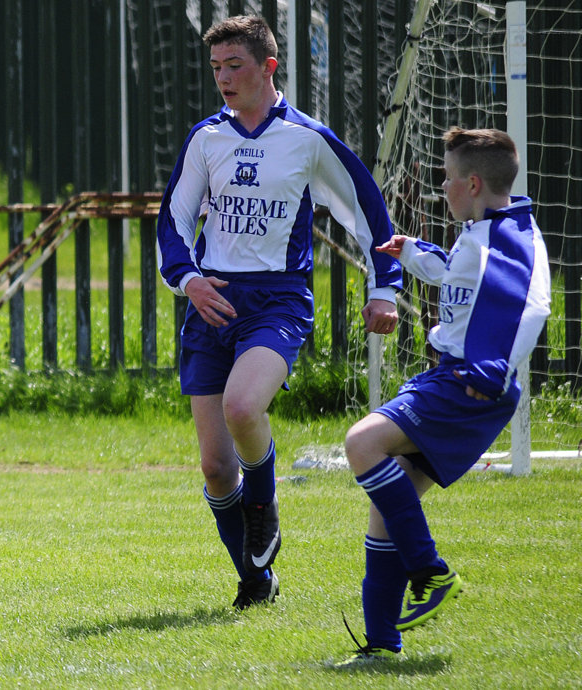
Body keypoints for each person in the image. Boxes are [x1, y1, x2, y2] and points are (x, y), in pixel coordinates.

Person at [157, 14, 401, 610]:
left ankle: (262, 508)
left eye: (234, 65)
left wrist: (384, 288)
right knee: (216, 469)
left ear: (268, 67)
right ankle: (255, 578)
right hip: (212, 303)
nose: (223, 78)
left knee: (244, 406)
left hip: (277, 300)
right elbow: (173, 221)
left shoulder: (308, 140)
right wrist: (187, 279)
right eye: (215, 68)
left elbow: (369, 216)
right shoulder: (205, 138)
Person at [336, 127, 551, 667]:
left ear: (473, 182)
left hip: (467, 383)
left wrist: (489, 367)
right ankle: (382, 646)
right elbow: (461, 276)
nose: (443, 186)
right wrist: (413, 252)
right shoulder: (484, 229)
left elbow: (528, 304)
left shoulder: (510, 239)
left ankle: (431, 572)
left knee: (362, 444)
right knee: (388, 507)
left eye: (448, 178)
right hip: (458, 379)